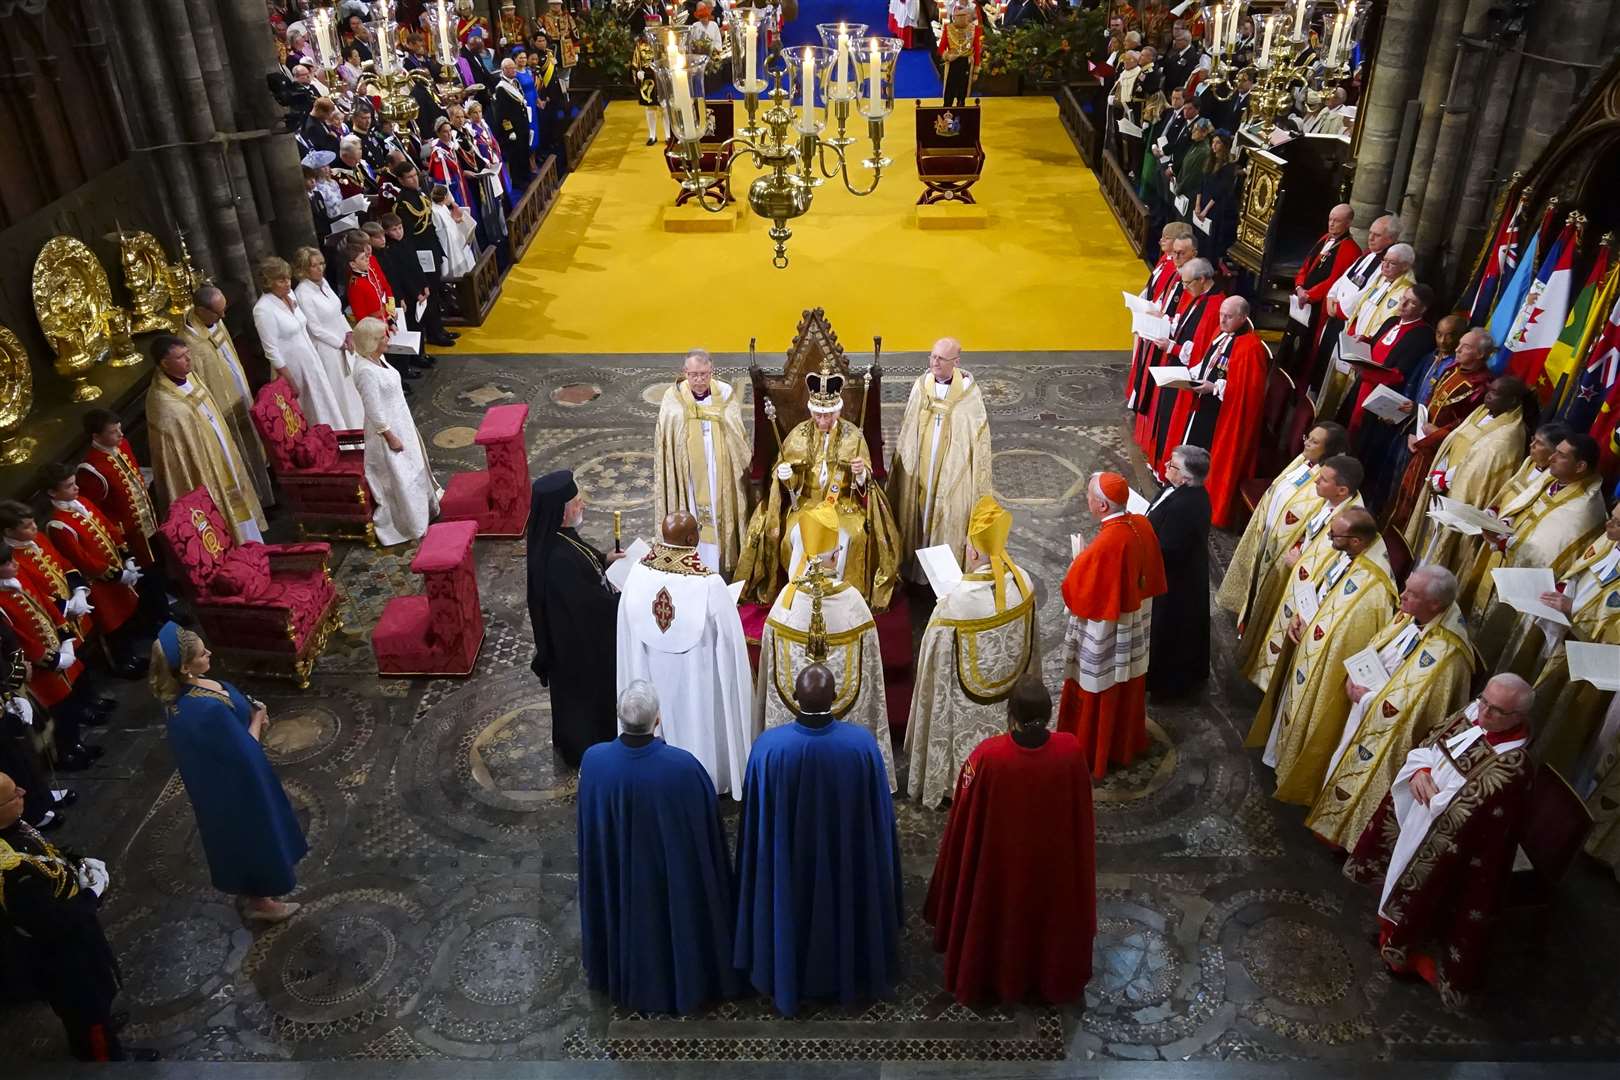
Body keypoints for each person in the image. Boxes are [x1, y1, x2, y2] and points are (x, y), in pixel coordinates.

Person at [1342, 674, 1535, 1006]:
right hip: (1421, 816)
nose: (1483, 713)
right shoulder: (1474, 713)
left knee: (1426, 893)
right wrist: (1421, 771)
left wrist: (1431, 789)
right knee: (1400, 873)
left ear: (1519, 717)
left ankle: (1404, 952)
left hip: (1453, 847)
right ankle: (1390, 930)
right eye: (1483, 700)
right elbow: (1431, 745)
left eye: (1496, 710)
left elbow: (1465, 812)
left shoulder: (1513, 767)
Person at [733, 662, 903, 1017]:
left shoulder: (768, 750)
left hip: (785, 864)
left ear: (794, 699)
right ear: (836, 697)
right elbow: (878, 821)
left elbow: (754, 827)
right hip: (844, 862)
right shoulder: (861, 747)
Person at [924, 674, 1096, 1005]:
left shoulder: (986, 757)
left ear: (1010, 714)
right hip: (1053, 870)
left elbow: (963, 821)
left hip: (997, 871)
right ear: (1049, 713)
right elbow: (1081, 819)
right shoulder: (1071, 751)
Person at [577, 681, 742, 1014]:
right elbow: (707, 837)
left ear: (620, 718)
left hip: (621, 878)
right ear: (657, 720)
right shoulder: (684, 767)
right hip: (672, 881)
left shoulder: (593, 763)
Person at [1306, 566, 1476, 849]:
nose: (1402, 595)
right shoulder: (1416, 616)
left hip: (1383, 729)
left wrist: (1369, 699)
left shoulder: (1449, 657)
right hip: (1364, 701)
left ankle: (1348, 834)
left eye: (1412, 593)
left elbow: (1411, 712)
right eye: (1406, 587)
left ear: (1435, 604)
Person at [151, 622, 306, 924]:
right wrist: (258, 717)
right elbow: (247, 747)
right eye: (200, 653)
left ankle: (251, 890)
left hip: (216, 781)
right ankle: (263, 902)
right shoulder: (205, 711)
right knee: (256, 834)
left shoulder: (180, 693)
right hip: (238, 783)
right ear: (185, 667)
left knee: (237, 837)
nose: (209, 652)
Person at [0, 772, 158, 1061]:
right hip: (62, 955)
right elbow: (52, 923)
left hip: (75, 934)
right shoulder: (13, 871)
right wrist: (92, 894)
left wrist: (75, 864)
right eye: (13, 794)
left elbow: (46, 855)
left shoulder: (12, 828)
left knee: (100, 990)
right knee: (87, 1010)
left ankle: (102, 1024)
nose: (23, 792)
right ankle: (105, 1057)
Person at [1248, 508, 1397, 803]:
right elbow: (1325, 592)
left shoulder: (1374, 590)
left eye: (1334, 535)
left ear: (1356, 541)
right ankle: (1279, 750)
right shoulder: (1349, 555)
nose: (1328, 538)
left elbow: (1348, 635)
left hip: (1320, 664)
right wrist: (1301, 618)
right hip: (1305, 645)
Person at [904, 496, 1039, 807]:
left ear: (975, 550)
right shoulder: (1025, 582)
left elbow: (933, 661)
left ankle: (952, 780)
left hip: (965, 706)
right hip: (1009, 694)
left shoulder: (958, 602)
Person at [736, 360, 902, 610]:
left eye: (828, 414)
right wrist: (784, 475)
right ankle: (800, 598)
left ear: (838, 412)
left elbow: (866, 480)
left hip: (843, 506)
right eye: (818, 414)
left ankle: (843, 599)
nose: (822, 420)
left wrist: (860, 474)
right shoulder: (799, 434)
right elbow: (788, 485)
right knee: (794, 537)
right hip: (807, 505)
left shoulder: (853, 436)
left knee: (853, 536)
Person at [753, 503, 894, 789]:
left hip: (793, 737)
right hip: (845, 735)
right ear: (835, 556)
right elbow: (871, 676)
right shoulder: (853, 603)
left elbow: (768, 671)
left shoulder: (785, 604)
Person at [616, 512, 753, 799]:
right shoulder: (709, 584)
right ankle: (708, 777)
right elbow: (730, 645)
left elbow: (627, 626)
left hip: (651, 671)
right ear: (692, 539)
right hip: (696, 676)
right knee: (699, 723)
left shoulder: (638, 573)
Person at [1055, 472, 1167, 777]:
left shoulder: (1107, 543)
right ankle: (1124, 742)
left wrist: (1078, 564)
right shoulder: (1141, 523)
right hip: (1136, 622)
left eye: (1089, 496)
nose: (1086, 500)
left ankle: (1095, 748)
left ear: (1102, 506)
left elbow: (1078, 592)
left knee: (1100, 687)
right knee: (1127, 681)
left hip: (1108, 629)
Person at [1466, 434, 1608, 664]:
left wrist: (1505, 543)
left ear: (1580, 466)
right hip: (1505, 562)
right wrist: (1502, 519)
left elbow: (1548, 558)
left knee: (1498, 646)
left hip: (1530, 591)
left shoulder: (1584, 509)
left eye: (1561, 455)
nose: (1551, 457)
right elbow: (1525, 509)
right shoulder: (1554, 480)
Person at [1501, 502, 1620, 774]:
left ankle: (1536, 767)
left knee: (1561, 718)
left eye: (1616, 523)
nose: (1607, 525)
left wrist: (1575, 608)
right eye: (1612, 517)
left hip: (1593, 659)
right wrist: (1566, 589)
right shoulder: (1609, 540)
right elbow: (1581, 571)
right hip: (1566, 632)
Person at [1221, 444, 1355, 684]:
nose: (1316, 481)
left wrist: (1300, 560)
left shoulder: (1347, 522)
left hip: (1303, 591)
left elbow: (1330, 566)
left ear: (1342, 490)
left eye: (1323, 480)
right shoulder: (1330, 502)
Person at [526, 470, 621, 766]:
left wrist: (606, 560)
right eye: (578, 503)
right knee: (583, 705)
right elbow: (590, 607)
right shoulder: (557, 561)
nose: (583, 507)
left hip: (574, 638)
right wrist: (623, 600)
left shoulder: (560, 537)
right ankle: (586, 751)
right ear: (563, 512)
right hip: (576, 649)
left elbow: (586, 557)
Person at [145, 335, 267, 544]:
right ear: (165, 363)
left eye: (188, 354)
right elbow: (179, 453)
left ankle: (250, 541)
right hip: (204, 463)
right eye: (181, 357)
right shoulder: (164, 403)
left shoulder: (190, 376)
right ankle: (230, 544)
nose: (188, 360)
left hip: (221, 448)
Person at [888, 338, 993, 576]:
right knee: (917, 514)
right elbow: (908, 429)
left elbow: (976, 438)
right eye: (932, 356)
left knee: (947, 516)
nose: (934, 362)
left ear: (956, 362)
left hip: (951, 468)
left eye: (940, 358)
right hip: (922, 466)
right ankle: (913, 571)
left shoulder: (968, 394)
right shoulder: (921, 386)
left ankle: (941, 575)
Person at [1402, 376, 1528, 572]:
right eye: (1489, 390)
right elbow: (1453, 442)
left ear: (1512, 401)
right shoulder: (1481, 412)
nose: (1487, 396)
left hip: (1461, 495)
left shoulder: (1510, 435)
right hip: (1441, 486)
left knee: (1437, 552)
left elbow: (1477, 468)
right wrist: (1440, 469)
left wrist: (1445, 479)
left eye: (1495, 393)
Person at [1169, 295, 1269, 527]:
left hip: (1222, 413)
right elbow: (1209, 361)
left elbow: (1247, 392)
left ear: (1243, 318)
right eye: (1221, 315)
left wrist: (1215, 387)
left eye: (1228, 316)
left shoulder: (1251, 348)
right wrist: (1191, 375)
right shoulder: (1221, 333)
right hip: (1203, 402)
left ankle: (1200, 500)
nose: (1222, 320)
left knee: (1208, 457)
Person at [1385, 327, 1495, 534]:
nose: (1458, 349)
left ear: (1480, 354)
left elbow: (1468, 426)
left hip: (1440, 454)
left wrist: (1437, 433)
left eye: (1466, 347)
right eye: (1460, 343)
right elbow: (1429, 400)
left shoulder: (1482, 385)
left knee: (1417, 502)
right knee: (1401, 495)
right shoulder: (1452, 368)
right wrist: (1416, 430)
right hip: (1421, 442)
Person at [0, 545, 101, 770]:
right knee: (59, 710)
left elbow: (45, 604)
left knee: (71, 701)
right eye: (7, 563)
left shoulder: (16, 579)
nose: (14, 564)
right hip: (41, 667)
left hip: (56, 648)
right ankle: (64, 753)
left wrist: (65, 635)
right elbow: (19, 639)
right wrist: (51, 659)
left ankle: (76, 744)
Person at [652, 349, 751, 578]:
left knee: (717, 515)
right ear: (684, 372)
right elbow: (668, 434)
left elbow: (736, 430)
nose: (699, 380)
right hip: (688, 473)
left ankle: (720, 565)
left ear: (711, 371)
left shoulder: (724, 394)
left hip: (719, 468)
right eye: (693, 374)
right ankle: (690, 561)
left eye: (704, 374)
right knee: (692, 512)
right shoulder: (673, 397)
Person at [39, 463, 146, 672]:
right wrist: (116, 574)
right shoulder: (58, 525)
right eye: (69, 486)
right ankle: (122, 664)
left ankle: (133, 652)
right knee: (113, 626)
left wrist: (126, 557)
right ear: (53, 492)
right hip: (99, 585)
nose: (76, 488)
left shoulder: (83, 501)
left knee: (127, 614)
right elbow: (83, 560)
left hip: (117, 571)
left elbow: (108, 527)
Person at [178, 286, 275, 511]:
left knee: (255, 449)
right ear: (201, 310)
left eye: (224, 311)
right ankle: (254, 504)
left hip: (241, 397)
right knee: (239, 457)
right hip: (224, 409)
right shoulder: (190, 343)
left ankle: (267, 495)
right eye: (217, 313)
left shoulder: (216, 322)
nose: (223, 317)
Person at [350, 318, 442, 546]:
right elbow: (373, 410)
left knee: (414, 468)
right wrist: (390, 436)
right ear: (371, 342)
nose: (388, 339)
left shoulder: (378, 359)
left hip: (401, 421)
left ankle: (425, 511)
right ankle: (410, 524)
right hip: (387, 432)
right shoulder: (365, 372)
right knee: (401, 476)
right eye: (383, 337)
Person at [251, 256, 353, 431]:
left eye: (288, 278)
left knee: (325, 401)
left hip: (311, 358)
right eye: (281, 280)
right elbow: (272, 350)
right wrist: (289, 380)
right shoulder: (263, 309)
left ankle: (339, 436)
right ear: (268, 282)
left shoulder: (289, 295)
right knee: (311, 407)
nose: (287, 283)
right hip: (293, 367)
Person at [1310, 213, 1401, 398]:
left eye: (1377, 235)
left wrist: (1340, 308)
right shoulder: (1366, 256)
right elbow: (1342, 279)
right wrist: (1331, 298)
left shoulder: (1384, 265)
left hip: (1346, 322)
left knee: (1332, 379)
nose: (1370, 237)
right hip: (1334, 316)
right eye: (1370, 233)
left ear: (1391, 239)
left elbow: (1364, 294)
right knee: (1320, 366)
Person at [1145, 257, 1224, 471]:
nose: (1185, 288)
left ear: (1202, 279)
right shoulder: (1198, 296)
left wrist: (1173, 348)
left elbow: (1200, 350)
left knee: (1174, 423)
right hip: (1176, 363)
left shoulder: (1214, 306)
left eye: (1188, 283)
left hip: (1187, 373)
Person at [1145, 446, 1211, 700]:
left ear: (1185, 478)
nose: (1164, 467)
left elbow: (1167, 550)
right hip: (1178, 572)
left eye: (1171, 466)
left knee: (1171, 633)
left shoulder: (1186, 507)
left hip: (1176, 583)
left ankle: (1167, 684)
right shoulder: (1182, 491)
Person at [1345, 285, 1438, 442]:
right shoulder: (1392, 321)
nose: (1402, 304)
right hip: (1363, 384)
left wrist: (1364, 371)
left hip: (1382, 395)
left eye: (1411, 303)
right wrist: (1364, 340)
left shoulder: (1423, 335)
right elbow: (1379, 345)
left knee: (1362, 439)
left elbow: (1400, 375)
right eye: (1403, 298)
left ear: (1422, 309)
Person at [1284, 203, 1361, 389]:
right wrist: (1300, 286)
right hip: (1302, 301)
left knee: (1306, 348)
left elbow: (1334, 281)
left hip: (1317, 308)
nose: (1331, 224)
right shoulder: (1325, 238)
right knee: (1290, 342)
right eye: (1330, 219)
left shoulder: (1351, 250)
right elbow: (1306, 265)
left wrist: (1309, 295)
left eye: (1337, 221)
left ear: (1348, 223)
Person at [291, 246, 366, 430]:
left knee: (351, 387)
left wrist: (349, 333)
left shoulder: (323, 283)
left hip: (343, 342)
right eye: (314, 266)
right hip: (327, 349)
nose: (320, 269)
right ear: (303, 269)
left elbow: (337, 311)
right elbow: (315, 328)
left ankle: (362, 424)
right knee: (340, 390)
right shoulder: (303, 293)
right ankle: (347, 428)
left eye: (322, 264)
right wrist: (340, 342)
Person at [493, 56, 534, 190]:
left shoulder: (515, 82)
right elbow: (502, 114)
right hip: (513, 129)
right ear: (504, 70)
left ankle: (527, 174)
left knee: (524, 151)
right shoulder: (501, 89)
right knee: (516, 155)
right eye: (510, 68)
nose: (514, 70)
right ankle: (518, 181)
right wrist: (509, 130)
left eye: (514, 67)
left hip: (522, 124)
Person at [939, 1, 982, 108]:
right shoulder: (948, 29)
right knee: (949, 92)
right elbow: (941, 48)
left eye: (964, 16)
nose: (961, 19)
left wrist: (976, 70)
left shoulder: (973, 29)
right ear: (954, 17)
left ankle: (961, 110)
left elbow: (977, 50)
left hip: (966, 64)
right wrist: (948, 56)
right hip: (952, 63)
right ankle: (947, 111)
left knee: (962, 92)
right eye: (959, 16)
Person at [430, 185, 478, 280]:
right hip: (449, 244)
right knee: (455, 266)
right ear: (444, 197)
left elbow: (448, 219)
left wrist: (455, 221)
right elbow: (441, 231)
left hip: (455, 238)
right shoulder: (435, 211)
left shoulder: (442, 206)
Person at [631, 35, 661, 145]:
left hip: (661, 78)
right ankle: (652, 135)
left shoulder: (662, 40)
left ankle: (668, 135)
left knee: (666, 108)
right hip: (648, 79)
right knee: (650, 107)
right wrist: (638, 72)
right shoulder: (640, 45)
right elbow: (636, 62)